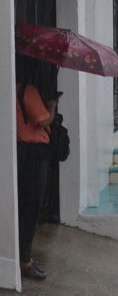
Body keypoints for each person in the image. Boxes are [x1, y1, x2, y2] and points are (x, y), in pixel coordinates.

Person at [15, 55, 57, 281]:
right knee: (32, 206)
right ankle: (25, 261)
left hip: (21, 151)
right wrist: (51, 107)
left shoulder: (11, 89)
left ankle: (21, 255)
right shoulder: (28, 91)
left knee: (23, 204)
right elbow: (43, 121)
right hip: (35, 153)